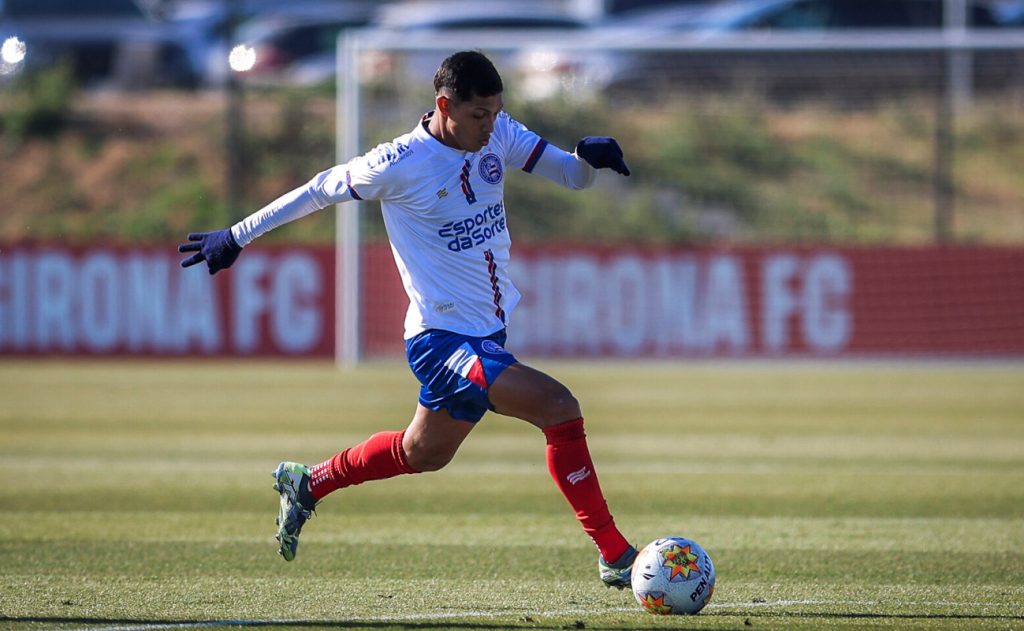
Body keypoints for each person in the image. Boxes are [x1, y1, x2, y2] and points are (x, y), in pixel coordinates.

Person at [178, 50, 638, 588]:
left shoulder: (500, 132)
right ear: (445, 105)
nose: (489, 128)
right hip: (442, 341)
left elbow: (571, 176)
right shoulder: (399, 163)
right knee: (559, 408)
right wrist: (237, 235)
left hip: (486, 335)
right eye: (478, 116)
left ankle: (308, 483)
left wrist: (586, 157)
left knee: (423, 453)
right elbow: (319, 189)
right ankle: (615, 555)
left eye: (495, 113)